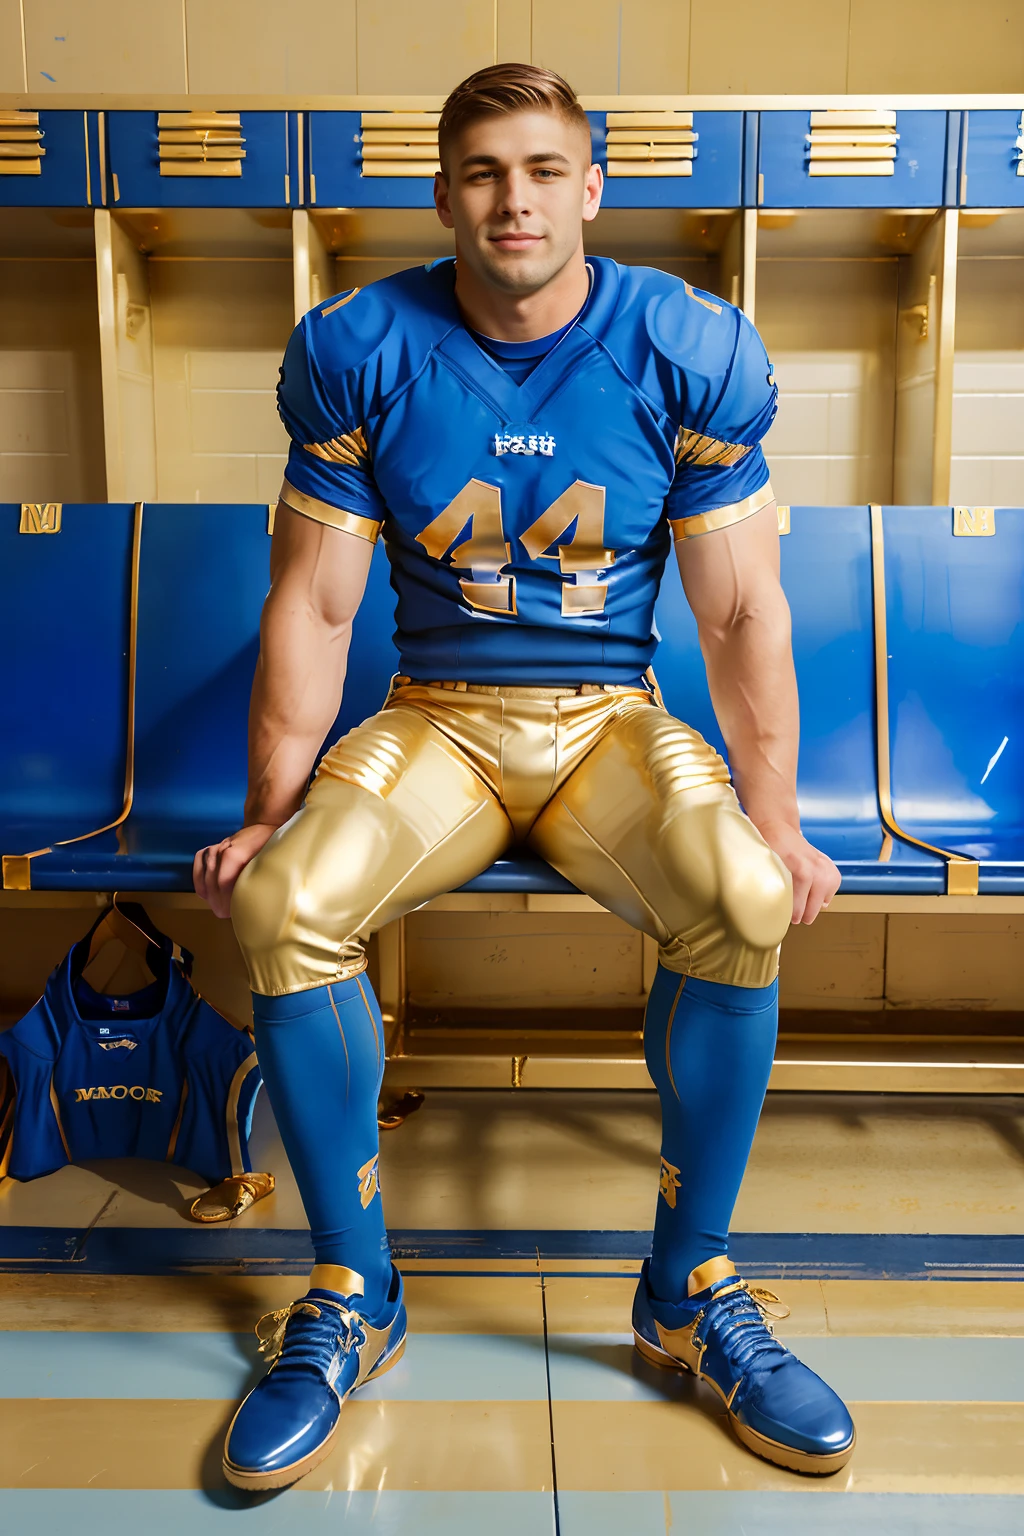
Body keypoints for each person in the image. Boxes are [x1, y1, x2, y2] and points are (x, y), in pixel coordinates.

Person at [194, 62, 854, 1489]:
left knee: (743, 894)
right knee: (284, 903)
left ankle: (688, 1289)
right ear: (444, 193)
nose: (515, 199)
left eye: (545, 169)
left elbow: (739, 613)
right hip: (437, 718)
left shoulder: (682, 345)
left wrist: (782, 819)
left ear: (591, 189)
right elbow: (312, 607)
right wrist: (265, 817)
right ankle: (352, 1295)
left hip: (607, 718)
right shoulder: (365, 347)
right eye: (486, 170)